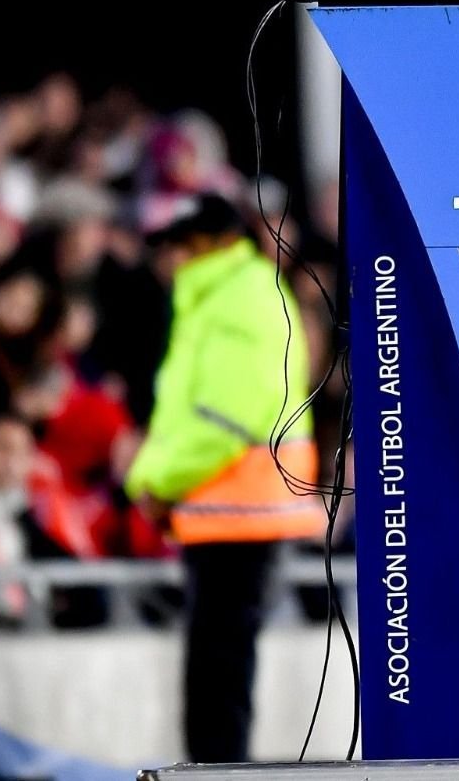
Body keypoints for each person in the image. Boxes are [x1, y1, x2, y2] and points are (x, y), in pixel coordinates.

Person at [123, 193, 324, 763]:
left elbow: (224, 420)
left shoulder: (240, 298)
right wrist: (154, 479)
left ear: (212, 241)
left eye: (179, 244)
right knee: (218, 661)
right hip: (226, 507)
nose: (169, 258)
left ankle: (216, 774)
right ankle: (214, 769)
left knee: (220, 664)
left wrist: (156, 482)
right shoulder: (229, 294)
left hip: (239, 509)